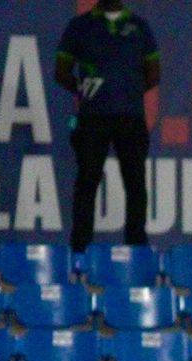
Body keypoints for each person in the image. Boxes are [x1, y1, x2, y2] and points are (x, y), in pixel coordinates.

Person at [55, 0, 160, 251]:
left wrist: (129, 92)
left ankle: (136, 247)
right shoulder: (80, 26)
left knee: (135, 183)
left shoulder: (139, 27)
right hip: (93, 118)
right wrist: (83, 89)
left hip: (131, 118)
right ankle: (80, 248)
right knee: (87, 181)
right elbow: (61, 71)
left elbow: (154, 73)